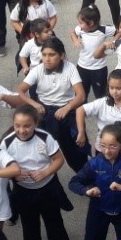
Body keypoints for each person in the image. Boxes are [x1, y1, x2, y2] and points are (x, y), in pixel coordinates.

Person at [0, 106, 74, 240]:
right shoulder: (7, 142)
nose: (22, 130)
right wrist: (14, 175)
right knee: (29, 222)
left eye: (27, 126)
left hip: (47, 187)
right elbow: (3, 167)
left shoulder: (45, 138)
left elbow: (58, 160)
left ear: (35, 124)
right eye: (18, 126)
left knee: (54, 220)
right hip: (23, 190)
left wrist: (45, 172)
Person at [16, 37, 86, 169]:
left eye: (52, 55)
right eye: (44, 55)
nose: (47, 59)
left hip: (67, 113)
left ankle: (86, 184)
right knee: (42, 152)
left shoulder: (70, 68)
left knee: (76, 154)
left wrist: (67, 107)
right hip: (45, 114)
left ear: (61, 56)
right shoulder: (37, 70)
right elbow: (20, 90)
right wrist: (35, 104)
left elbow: (81, 95)